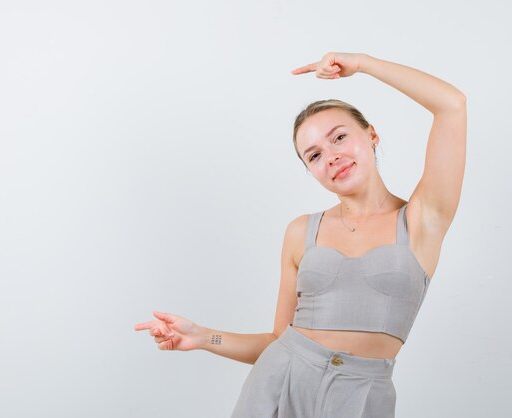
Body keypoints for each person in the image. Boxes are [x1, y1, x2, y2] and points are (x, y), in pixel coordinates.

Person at [134, 52, 467, 417]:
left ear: (371, 134)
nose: (332, 157)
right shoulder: (301, 231)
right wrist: (202, 337)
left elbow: (452, 105)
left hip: (362, 397)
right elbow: (279, 341)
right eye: (314, 155)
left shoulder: (422, 219)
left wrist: (363, 65)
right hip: (276, 385)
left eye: (339, 137)